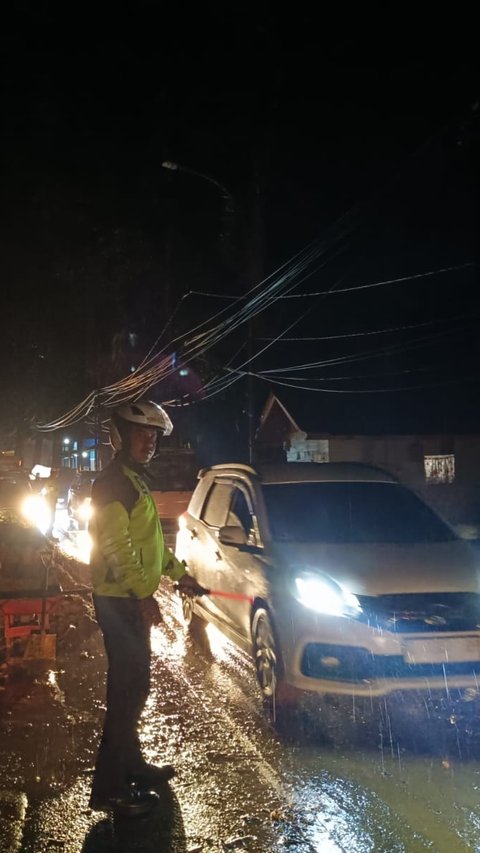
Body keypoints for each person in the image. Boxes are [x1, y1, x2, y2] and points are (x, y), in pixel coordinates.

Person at [88, 400, 204, 816]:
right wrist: (143, 595)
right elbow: (116, 547)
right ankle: (109, 789)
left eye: (153, 436)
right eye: (140, 434)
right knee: (126, 693)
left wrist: (178, 572)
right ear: (120, 436)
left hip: (127, 599)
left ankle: (131, 767)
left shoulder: (133, 480)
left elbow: (147, 543)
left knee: (135, 689)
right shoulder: (113, 484)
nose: (149, 442)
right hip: (118, 601)